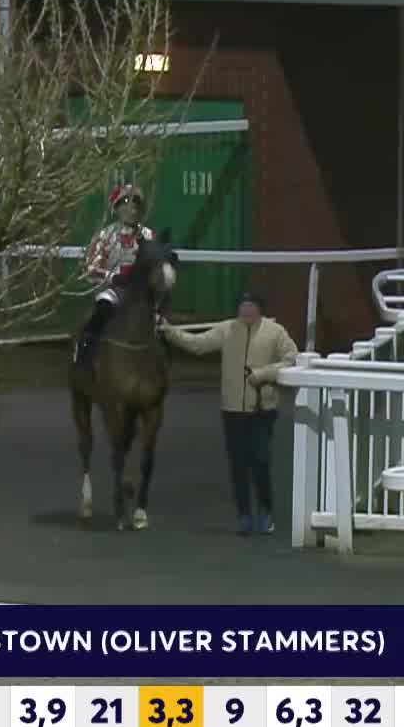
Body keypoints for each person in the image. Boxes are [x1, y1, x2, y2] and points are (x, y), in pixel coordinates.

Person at [159, 290, 300, 536]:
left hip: (262, 409)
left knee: (260, 460)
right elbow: (197, 344)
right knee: (238, 465)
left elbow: (292, 359)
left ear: (260, 308)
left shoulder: (275, 332)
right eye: (242, 306)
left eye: (251, 306)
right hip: (232, 410)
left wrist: (264, 374)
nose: (246, 311)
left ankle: (266, 512)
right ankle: (244, 515)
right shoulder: (226, 330)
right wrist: (169, 330)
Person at [74, 183, 156, 372]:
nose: (132, 208)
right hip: (111, 290)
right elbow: (91, 268)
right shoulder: (104, 236)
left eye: (136, 204)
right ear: (117, 208)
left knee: (159, 320)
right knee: (101, 311)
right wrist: (115, 276)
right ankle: (85, 358)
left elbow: (155, 264)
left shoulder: (149, 236)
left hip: (141, 293)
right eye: (126, 203)